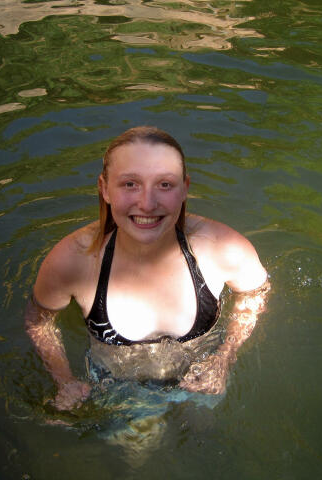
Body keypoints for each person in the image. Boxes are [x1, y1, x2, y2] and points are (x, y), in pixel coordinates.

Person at [25, 126, 269, 411]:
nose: (147, 203)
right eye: (130, 184)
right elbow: (39, 319)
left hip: (204, 379)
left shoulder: (224, 248)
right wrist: (64, 380)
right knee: (137, 449)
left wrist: (225, 357)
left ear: (185, 188)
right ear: (104, 189)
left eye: (164, 184)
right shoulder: (73, 260)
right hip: (117, 391)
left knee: (202, 434)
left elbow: (255, 293)